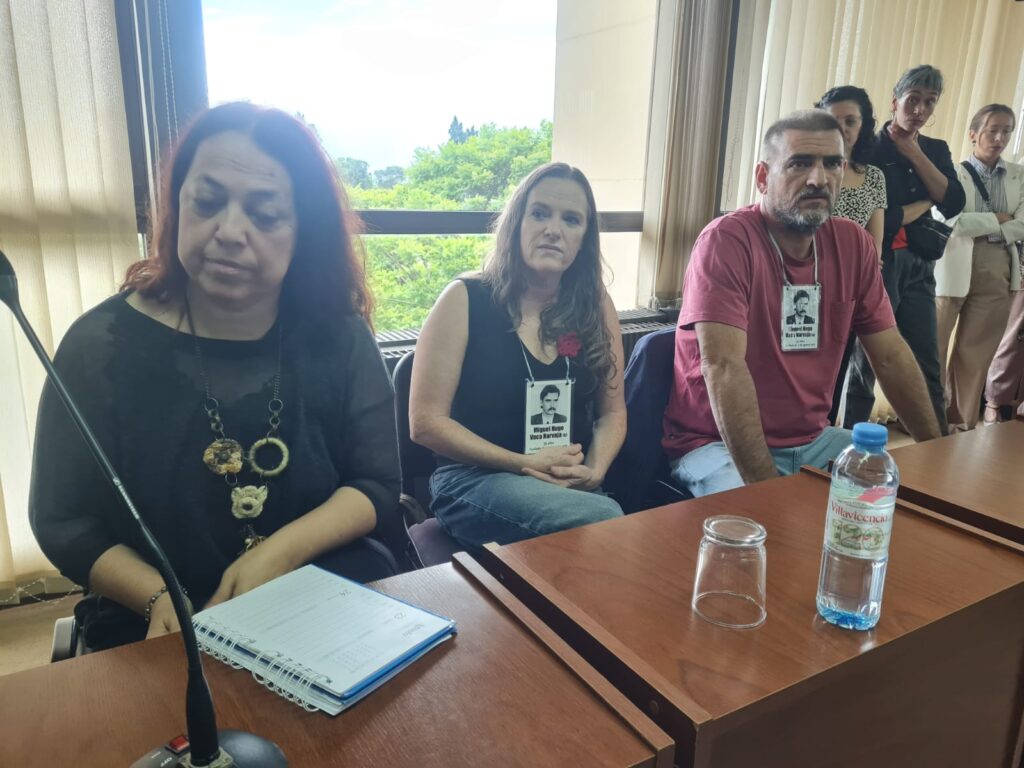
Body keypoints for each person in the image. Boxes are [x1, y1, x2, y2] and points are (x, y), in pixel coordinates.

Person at [29, 103, 401, 650]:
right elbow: (63, 521)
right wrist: (157, 595)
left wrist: (278, 554)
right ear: (177, 205)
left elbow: (375, 485)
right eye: (206, 203)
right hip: (159, 612)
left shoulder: (337, 334)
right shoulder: (101, 346)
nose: (229, 231)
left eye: (265, 214)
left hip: (319, 587)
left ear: (304, 229)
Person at [662, 110, 941, 498]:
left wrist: (937, 456)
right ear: (763, 177)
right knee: (761, 527)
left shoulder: (854, 244)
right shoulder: (726, 242)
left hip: (814, 440)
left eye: (832, 164)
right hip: (716, 445)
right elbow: (724, 368)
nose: (818, 179)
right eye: (800, 163)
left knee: (907, 498)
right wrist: (769, 496)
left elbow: (891, 355)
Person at [410, 162, 626, 549]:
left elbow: (612, 414)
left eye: (571, 220)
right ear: (516, 224)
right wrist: (524, 463)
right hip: (472, 479)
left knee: (603, 531)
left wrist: (594, 470)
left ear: (584, 239)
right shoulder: (463, 298)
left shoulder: (596, 304)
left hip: (566, 487)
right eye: (540, 213)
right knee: (605, 524)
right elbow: (425, 423)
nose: (553, 230)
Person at [843, 65, 966, 433]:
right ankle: (849, 443)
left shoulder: (935, 149)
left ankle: (937, 446)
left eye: (930, 102)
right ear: (895, 101)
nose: (920, 110)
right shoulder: (870, 148)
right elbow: (885, 215)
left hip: (920, 266)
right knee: (866, 362)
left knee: (928, 358)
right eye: (913, 100)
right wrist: (928, 200)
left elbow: (954, 202)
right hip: (881, 263)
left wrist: (914, 153)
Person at [934, 104, 1024, 431]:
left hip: (998, 265)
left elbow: (1022, 224)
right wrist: (999, 219)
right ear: (973, 134)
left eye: (1006, 131)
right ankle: (928, 420)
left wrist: (982, 224)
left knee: (975, 354)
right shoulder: (951, 173)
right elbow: (950, 221)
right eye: (992, 130)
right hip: (952, 265)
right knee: (934, 347)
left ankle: (960, 426)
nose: (999, 138)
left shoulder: (1019, 175)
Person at [815, 86, 887, 424]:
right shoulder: (809, 169)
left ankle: (824, 433)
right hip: (804, 280)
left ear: (864, 125)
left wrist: (862, 272)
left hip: (849, 287)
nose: (842, 128)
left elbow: (875, 244)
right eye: (833, 120)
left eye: (851, 121)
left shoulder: (874, 177)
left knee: (836, 367)